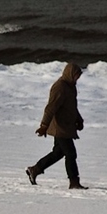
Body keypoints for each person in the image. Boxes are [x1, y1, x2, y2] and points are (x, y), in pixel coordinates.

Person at [26, 62, 86, 190]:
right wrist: (44, 125)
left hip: (67, 126)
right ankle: (74, 182)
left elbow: (72, 107)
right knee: (70, 154)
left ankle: (35, 169)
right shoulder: (60, 87)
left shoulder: (71, 87)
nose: (77, 79)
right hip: (60, 127)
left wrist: (79, 119)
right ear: (70, 74)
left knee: (58, 152)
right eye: (76, 76)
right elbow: (50, 108)